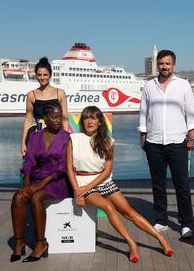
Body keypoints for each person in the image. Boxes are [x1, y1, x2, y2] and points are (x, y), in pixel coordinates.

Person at [66, 106, 173, 263]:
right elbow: (69, 168)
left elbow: (106, 171)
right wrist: (78, 191)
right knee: (108, 207)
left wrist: (84, 190)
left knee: (129, 211)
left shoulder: (108, 141)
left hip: (102, 181)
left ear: (100, 122)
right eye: (86, 117)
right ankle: (131, 243)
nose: (90, 121)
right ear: (82, 121)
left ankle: (160, 239)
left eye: (94, 117)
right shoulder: (74, 139)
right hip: (82, 182)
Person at [138, 50, 194, 238]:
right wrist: (143, 135)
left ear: (174, 65)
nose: (164, 67)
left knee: (182, 184)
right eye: (161, 63)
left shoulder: (184, 85)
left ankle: (186, 223)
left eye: (167, 64)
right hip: (153, 142)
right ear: (157, 65)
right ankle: (161, 220)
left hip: (177, 141)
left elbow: (191, 113)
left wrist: (191, 137)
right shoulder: (148, 86)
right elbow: (143, 113)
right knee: (158, 184)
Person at [10, 104, 71, 262]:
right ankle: (19, 242)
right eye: (54, 117)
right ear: (45, 119)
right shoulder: (35, 137)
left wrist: (40, 184)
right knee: (18, 197)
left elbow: (62, 166)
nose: (58, 120)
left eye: (60, 117)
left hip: (57, 180)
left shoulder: (66, 137)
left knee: (36, 197)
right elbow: (29, 162)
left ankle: (41, 243)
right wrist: (26, 183)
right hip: (36, 178)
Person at [21, 57, 68, 156]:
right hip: (37, 133)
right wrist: (23, 143)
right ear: (36, 76)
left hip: (56, 132)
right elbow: (28, 120)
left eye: (45, 75)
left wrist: (66, 139)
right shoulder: (31, 95)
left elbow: (64, 119)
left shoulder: (60, 93)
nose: (42, 78)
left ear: (50, 75)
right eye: (39, 75)